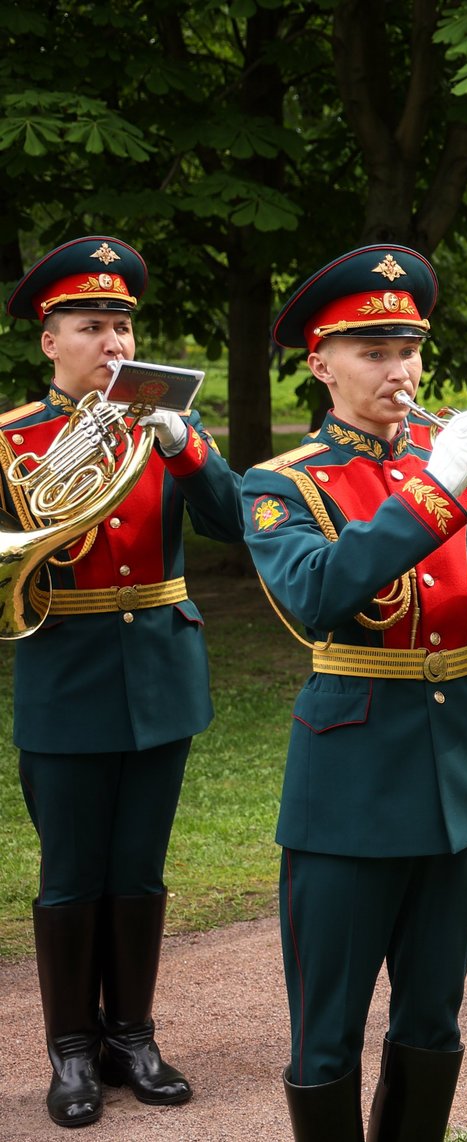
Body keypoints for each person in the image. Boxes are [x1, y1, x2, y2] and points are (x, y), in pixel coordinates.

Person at [244, 244, 467, 1140]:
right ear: (321, 365)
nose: (400, 370)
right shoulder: (283, 483)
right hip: (349, 787)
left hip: (455, 782)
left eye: (409, 350)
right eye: (373, 351)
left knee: (434, 1017)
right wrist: (440, 486)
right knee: (327, 1034)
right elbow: (317, 595)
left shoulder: (454, 465)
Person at [0, 236, 243, 1128]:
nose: (112, 344)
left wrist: (186, 449)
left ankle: (131, 1035)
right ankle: (70, 1050)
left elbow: (234, 524)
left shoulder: (167, 433)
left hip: (161, 674)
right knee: (71, 874)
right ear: (49, 342)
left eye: (122, 327)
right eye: (91, 326)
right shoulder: (14, 441)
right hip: (65, 674)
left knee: (138, 869)